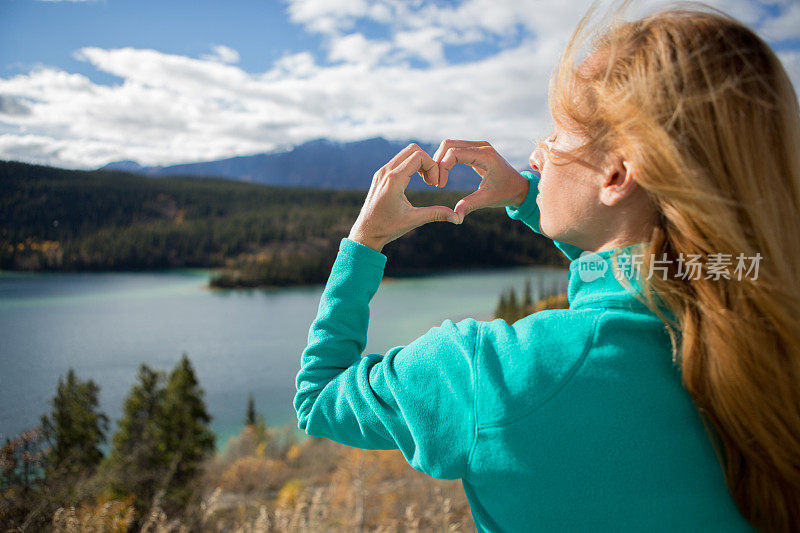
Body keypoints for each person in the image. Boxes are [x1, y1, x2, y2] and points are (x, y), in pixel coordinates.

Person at [294, 5, 800, 532]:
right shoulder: (760, 321)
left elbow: (318, 396)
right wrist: (526, 198)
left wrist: (365, 241)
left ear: (617, 174)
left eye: (557, 136)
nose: (536, 155)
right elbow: (645, 278)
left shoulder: (486, 375)